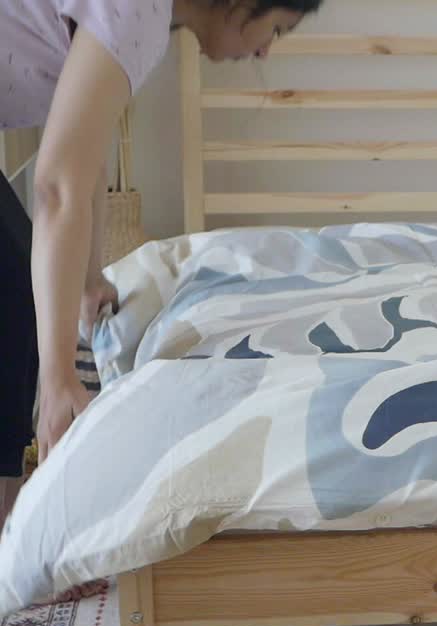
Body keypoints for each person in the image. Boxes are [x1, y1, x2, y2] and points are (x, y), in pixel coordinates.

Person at [0, 0, 324, 474]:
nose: (264, 54)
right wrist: (57, 381)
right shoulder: (140, 13)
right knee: (12, 305)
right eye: (276, 30)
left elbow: (82, 156)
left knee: (16, 300)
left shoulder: (146, 18)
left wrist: (89, 283)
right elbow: (56, 186)